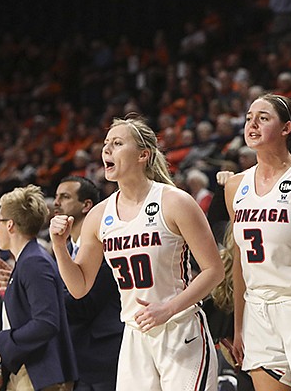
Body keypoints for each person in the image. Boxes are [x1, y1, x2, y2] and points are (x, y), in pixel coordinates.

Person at [49, 115, 224, 391]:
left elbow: (214, 271)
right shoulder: (99, 215)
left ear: (144, 154)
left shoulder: (174, 201)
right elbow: (79, 286)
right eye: (106, 143)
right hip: (134, 335)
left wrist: (168, 308)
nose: (106, 149)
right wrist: (59, 247)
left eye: (117, 143)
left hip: (179, 329)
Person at [224, 94, 291, 390]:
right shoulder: (235, 186)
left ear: (286, 128)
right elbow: (241, 261)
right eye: (249, 117)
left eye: (263, 118)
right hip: (258, 311)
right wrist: (238, 326)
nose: (252, 124)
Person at [0, 184, 77, 390]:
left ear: (10, 225)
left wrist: (3, 341)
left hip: (40, 373)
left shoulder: (34, 262)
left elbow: (46, 322)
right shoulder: (28, 260)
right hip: (32, 370)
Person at [54, 175, 124, 391]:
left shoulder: (102, 247)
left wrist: (39, 296)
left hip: (103, 358)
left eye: (65, 197)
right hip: (78, 360)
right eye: (56, 197)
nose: (56, 202)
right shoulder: (62, 248)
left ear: (87, 205)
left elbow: (84, 304)